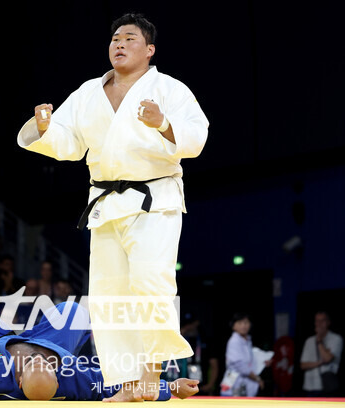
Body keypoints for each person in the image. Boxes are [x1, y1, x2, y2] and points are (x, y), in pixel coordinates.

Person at [16, 12, 208, 401]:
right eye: (115, 38)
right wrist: (45, 126)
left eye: (130, 39)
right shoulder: (89, 92)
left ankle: (151, 379)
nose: (119, 44)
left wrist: (164, 124)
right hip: (105, 203)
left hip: (154, 200)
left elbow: (196, 137)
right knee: (110, 297)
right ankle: (128, 384)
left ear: (150, 50)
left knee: (151, 286)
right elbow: (68, 143)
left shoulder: (169, 89)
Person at [0, 300, 199, 400]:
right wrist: (170, 387)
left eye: (35, 367)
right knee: (75, 311)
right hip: (53, 343)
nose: (40, 364)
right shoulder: (75, 377)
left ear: (18, 381)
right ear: (58, 379)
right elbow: (119, 384)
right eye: (49, 369)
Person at [300, 311, 343, 396]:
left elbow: (327, 358)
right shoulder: (309, 341)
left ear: (328, 322)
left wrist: (319, 340)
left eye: (322, 321)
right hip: (310, 386)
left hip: (327, 386)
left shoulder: (336, 339)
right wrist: (320, 362)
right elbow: (302, 365)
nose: (319, 324)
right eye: (317, 321)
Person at [220, 313, 263, 397]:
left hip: (245, 387)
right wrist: (257, 378)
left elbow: (249, 361)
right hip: (235, 386)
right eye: (240, 323)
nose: (243, 326)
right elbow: (240, 365)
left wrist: (263, 362)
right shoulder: (234, 341)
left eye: (246, 322)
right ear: (233, 326)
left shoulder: (247, 340)